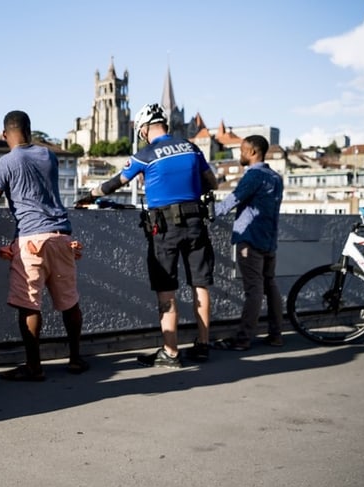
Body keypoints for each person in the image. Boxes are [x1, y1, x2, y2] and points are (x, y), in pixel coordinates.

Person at [76, 103, 219, 368]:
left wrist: (89, 195)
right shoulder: (191, 147)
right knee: (200, 285)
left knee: (167, 290)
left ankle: (171, 352)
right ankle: (203, 345)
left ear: (143, 129)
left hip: (164, 228)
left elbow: (115, 182)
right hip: (196, 222)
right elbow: (213, 182)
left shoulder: (147, 153)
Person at [0, 110, 86, 381]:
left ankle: (34, 366)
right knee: (69, 302)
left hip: (31, 239)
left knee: (30, 305)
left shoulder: (6, 162)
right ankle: (76, 359)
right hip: (61, 236)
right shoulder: (49, 156)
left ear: (6, 134)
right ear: (29, 131)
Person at [211, 135, 285, 350]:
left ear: (253, 152)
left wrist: (206, 213)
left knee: (253, 290)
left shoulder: (254, 176)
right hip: (269, 240)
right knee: (270, 286)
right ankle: (276, 335)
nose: (239, 154)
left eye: (242, 150)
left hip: (250, 240)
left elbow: (231, 201)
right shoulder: (275, 177)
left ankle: (243, 339)